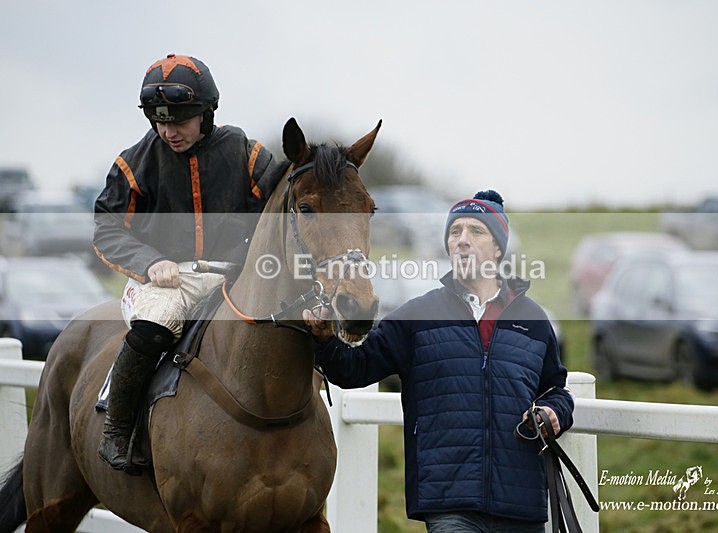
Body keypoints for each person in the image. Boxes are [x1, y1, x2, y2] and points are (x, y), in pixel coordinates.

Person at [303, 190, 574, 532]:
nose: (462, 240)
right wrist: (325, 339)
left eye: (476, 231)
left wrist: (555, 412)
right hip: (449, 502)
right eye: (454, 232)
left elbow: (556, 390)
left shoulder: (533, 320)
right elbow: (354, 368)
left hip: (521, 504)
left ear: (497, 249)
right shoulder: (418, 315)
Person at [94, 53, 278, 473]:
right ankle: (117, 430)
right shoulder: (135, 162)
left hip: (234, 275)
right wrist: (150, 261)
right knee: (157, 320)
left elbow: (281, 208)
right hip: (166, 282)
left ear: (206, 113)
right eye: (159, 121)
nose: (167, 132)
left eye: (178, 121)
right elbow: (106, 230)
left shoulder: (248, 155)